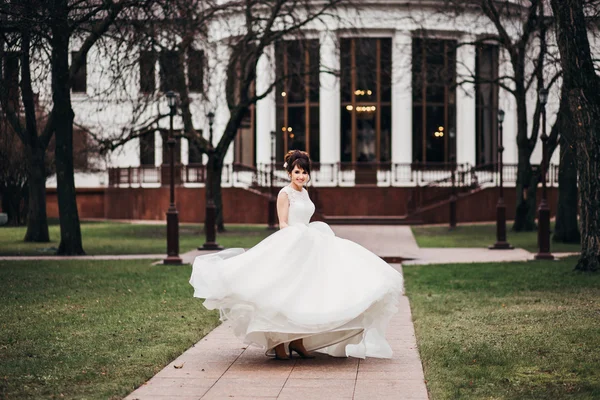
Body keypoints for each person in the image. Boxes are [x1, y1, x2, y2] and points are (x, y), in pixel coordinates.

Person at [190, 150, 404, 360]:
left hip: (309, 241)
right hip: (292, 242)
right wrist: (298, 236)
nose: (301, 176)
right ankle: (280, 342)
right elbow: (283, 223)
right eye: (297, 172)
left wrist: (309, 234)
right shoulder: (285, 193)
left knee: (307, 293)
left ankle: (297, 340)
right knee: (285, 292)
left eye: (304, 172)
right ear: (289, 173)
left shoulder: (304, 192)